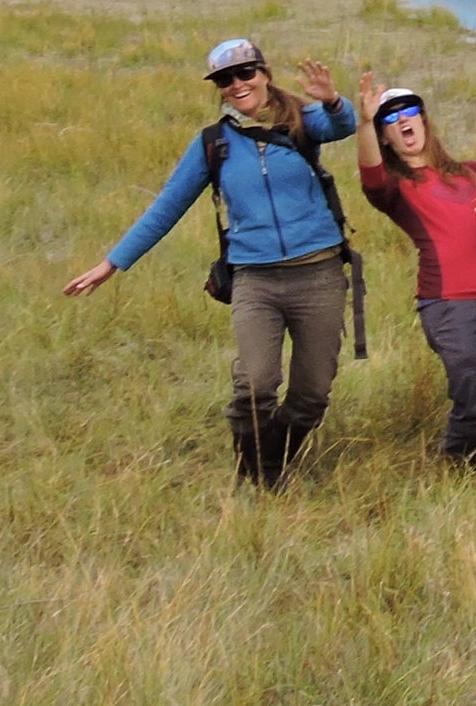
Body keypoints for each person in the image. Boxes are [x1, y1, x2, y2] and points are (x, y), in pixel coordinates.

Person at [66, 39, 359, 488]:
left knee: (312, 394)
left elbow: (343, 125)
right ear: (219, 89)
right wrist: (112, 263)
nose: (237, 85)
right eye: (226, 79)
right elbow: (166, 207)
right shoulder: (213, 144)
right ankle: (262, 474)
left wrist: (333, 101)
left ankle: (271, 461)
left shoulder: (301, 121)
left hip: (318, 275)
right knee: (256, 387)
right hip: (255, 280)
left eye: (245, 73)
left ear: (264, 74)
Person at [353, 75, 476, 465]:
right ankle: (453, 465)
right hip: (451, 304)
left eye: (410, 111)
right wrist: (365, 124)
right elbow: (370, 175)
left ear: (424, 120)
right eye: (391, 119)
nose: (404, 121)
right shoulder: (395, 187)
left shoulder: (474, 171)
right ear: (387, 137)